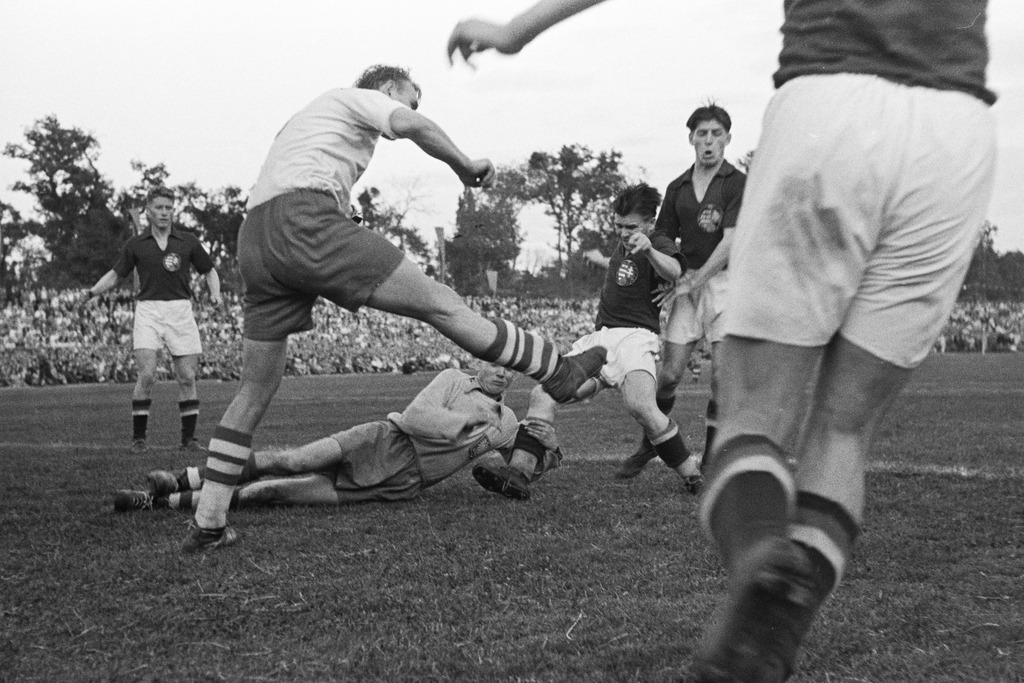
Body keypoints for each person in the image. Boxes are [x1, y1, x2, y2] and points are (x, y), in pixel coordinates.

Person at [448, 2, 997, 681]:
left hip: (831, 96)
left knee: (752, 416)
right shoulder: (678, 192)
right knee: (847, 429)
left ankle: (760, 553)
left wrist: (515, 31)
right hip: (959, 128)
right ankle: (781, 622)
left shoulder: (723, 183)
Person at [185, 64, 604, 552]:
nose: (413, 106)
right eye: (410, 96)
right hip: (301, 220)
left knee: (254, 391)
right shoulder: (355, 98)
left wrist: (345, 215)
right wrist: (465, 165)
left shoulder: (309, 121)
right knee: (443, 305)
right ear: (387, 88)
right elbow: (414, 127)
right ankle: (559, 372)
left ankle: (209, 520)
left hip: (254, 237)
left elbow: (298, 174)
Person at [480, 183, 703, 497]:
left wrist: (651, 249)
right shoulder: (622, 244)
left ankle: (692, 473)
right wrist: (601, 260)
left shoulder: (657, 240)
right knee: (543, 394)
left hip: (635, 338)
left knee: (641, 405)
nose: (624, 233)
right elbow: (626, 271)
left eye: (631, 227)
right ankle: (518, 473)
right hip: (600, 339)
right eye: (618, 226)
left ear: (649, 223)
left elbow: (676, 271)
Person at [114, 362, 563, 511]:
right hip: (382, 439)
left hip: (404, 482)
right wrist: (459, 426)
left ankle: (155, 501)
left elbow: (520, 465)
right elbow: (415, 414)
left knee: (270, 493)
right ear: (478, 361)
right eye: (495, 364)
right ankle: (180, 476)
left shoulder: (506, 423)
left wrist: (546, 448)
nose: (502, 374)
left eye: (510, 369)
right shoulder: (451, 379)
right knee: (289, 460)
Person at [616, 104, 745, 480]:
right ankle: (650, 444)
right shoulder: (677, 187)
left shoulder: (736, 182)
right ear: (691, 138)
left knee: (722, 377)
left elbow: (731, 242)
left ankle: (710, 460)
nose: (708, 142)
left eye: (716, 134)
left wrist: (695, 280)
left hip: (724, 285)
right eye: (701, 134)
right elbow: (662, 241)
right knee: (669, 375)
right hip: (686, 286)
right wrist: (665, 279)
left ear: (727, 139)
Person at [84, 186, 222, 453]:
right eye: (159, 208)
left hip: (180, 310)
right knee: (147, 375)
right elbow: (115, 275)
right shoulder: (136, 244)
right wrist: (92, 292)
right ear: (148, 210)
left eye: (169, 208)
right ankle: (138, 439)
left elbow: (209, 270)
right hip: (148, 310)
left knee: (187, 377)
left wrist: (214, 293)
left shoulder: (188, 241)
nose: (164, 213)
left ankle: (189, 440)